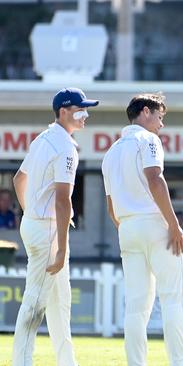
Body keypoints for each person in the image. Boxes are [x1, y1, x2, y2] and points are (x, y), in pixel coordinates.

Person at [12, 87, 98, 366]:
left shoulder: (43, 139)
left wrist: (30, 213)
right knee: (35, 303)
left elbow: (17, 180)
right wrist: (60, 246)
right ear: (64, 111)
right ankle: (21, 362)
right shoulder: (64, 147)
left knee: (60, 303)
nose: (86, 115)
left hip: (36, 224)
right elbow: (63, 201)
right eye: (80, 109)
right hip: (47, 229)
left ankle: (67, 362)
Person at [101, 93, 183, 366]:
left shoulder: (111, 151)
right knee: (173, 299)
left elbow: (110, 206)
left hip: (127, 227)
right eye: (160, 117)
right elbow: (155, 179)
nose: (161, 125)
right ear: (145, 112)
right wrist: (173, 225)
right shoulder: (148, 140)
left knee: (136, 306)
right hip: (153, 223)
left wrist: (128, 226)